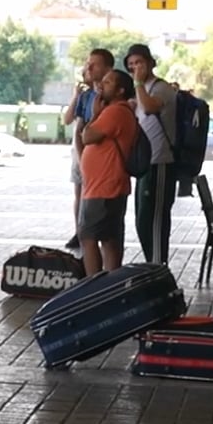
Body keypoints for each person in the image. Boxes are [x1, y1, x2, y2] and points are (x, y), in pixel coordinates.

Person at [75, 68, 138, 276]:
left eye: (108, 82)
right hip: (106, 185)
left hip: (104, 187)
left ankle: (95, 284)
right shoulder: (120, 111)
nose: (101, 85)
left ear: (120, 91)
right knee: (109, 239)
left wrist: (95, 114)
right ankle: (111, 283)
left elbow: (87, 136)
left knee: (88, 237)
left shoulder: (115, 111)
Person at [124, 43, 178, 265]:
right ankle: (151, 263)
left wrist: (137, 84)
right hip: (145, 163)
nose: (135, 68)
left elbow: (148, 107)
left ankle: (157, 266)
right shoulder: (141, 90)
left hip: (161, 160)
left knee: (155, 219)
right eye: (131, 64)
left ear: (149, 63)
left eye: (139, 63)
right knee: (142, 219)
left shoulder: (160, 87)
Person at [63, 49, 116, 250]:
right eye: (88, 64)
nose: (89, 67)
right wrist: (81, 157)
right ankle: (80, 233)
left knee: (99, 201)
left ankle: (95, 238)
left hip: (102, 158)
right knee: (80, 193)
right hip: (83, 153)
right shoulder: (85, 96)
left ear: (108, 68)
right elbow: (77, 127)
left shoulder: (112, 96)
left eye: (95, 64)